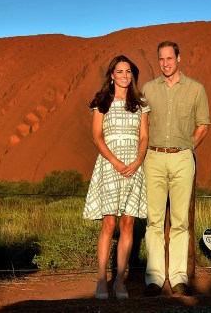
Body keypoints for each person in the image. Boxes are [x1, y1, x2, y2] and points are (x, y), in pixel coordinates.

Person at [140, 41, 210, 297]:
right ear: (157, 60)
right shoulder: (148, 89)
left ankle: (179, 278)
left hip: (182, 157)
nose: (166, 63)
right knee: (154, 221)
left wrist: (187, 148)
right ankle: (155, 279)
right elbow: (142, 125)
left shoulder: (195, 89)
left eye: (170, 58)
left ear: (179, 58)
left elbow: (203, 124)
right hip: (154, 158)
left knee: (180, 221)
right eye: (161, 59)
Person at [82, 55, 149, 300]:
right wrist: (115, 161)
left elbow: (144, 137)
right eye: (119, 71)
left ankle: (120, 281)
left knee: (128, 224)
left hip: (133, 166)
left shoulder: (140, 103)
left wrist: (137, 161)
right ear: (111, 75)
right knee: (109, 224)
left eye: (128, 71)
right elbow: (97, 136)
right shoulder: (102, 102)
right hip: (110, 164)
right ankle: (102, 279)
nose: (124, 75)